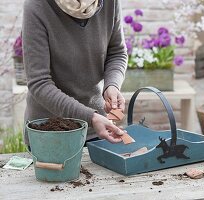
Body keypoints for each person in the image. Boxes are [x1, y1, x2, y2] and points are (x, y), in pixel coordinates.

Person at [22, 0, 127, 145]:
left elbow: (117, 52)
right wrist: (90, 117)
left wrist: (112, 85)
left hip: (98, 130)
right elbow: (39, 83)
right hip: (51, 132)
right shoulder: (37, 6)